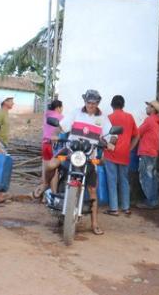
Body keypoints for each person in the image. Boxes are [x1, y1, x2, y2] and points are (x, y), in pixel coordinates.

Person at [45, 90, 114, 235]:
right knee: (50, 165)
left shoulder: (103, 118)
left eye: (94, 103)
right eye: (89, 102)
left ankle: (94, 223)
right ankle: (46, 185)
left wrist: (111, 142)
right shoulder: (75, 113)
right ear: (85, 102)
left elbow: (111, 135)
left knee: (92, 189)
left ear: (97, 103)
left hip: (89, 155)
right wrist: (55, 134)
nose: (91, 105)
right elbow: (61, 126)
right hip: (70, 151)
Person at [105, 95, 139, 216]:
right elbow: (137, 135)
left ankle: (114, 208)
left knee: (112, 180)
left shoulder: (108, 118)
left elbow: (104, 136)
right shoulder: (129, 117)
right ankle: (126, 207)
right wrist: (130, 148)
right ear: (123, 105)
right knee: (124, 180)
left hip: (110, 153)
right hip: (125, 154)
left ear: (112, 105)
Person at [33, 99, 63, 200]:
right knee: (54, 169)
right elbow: (64, 130)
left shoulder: (46, 115)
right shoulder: (60, 117)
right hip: (52, 145)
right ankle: (54, 194)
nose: (62, 110)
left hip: (44, 144)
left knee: (45, 170)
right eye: (61, 108)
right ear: (58, 107)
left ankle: (43, 196)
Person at [136, 100, 159, 210]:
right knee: (152, 176)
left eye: (148, 106)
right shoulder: (158, 121)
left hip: (146, 152)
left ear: (153, 109)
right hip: (154, 152)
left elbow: (138, 132)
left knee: (145, 177)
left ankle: (150, 201)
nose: (146, 108)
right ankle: (154, 200)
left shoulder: (150, 120)